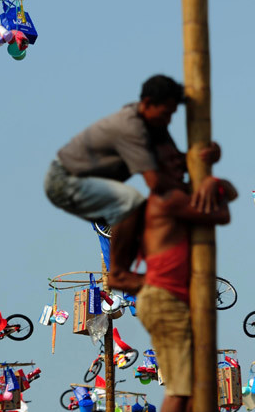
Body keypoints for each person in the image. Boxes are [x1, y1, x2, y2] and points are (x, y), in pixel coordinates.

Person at [44, 75, 222, 292]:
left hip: (93, 183)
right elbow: (155, 182)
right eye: (165, 113)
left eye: (172, 114)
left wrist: (205, 156)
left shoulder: (155, 125)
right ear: (147, 104)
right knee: (132, 201)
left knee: (157, 211)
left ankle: (157, 268)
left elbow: (176, 166)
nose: (168, 120)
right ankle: (118, 275)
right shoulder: (131, 127)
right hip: (64, 181)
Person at [135, 153, 237, 412]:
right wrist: (210, 184)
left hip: (184, 302)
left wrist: (210, 182)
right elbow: (221, 211)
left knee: (193, 386)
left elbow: (227, 199)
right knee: (180, 388)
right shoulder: (167, 202)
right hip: (167, 302)